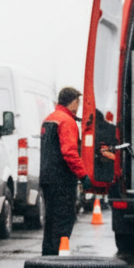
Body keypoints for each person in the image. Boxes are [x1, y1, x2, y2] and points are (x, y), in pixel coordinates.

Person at [39, 87, 88, 256]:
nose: (79, 105)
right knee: (64, 219)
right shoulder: (67, 121)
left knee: (50, 220)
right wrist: (83, 175)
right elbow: (70, 152)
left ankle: (47, 257)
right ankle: (58, 260)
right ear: (73, 102)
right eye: (78, 102)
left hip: (47, 178)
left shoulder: (49, 120)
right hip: (62, 180)